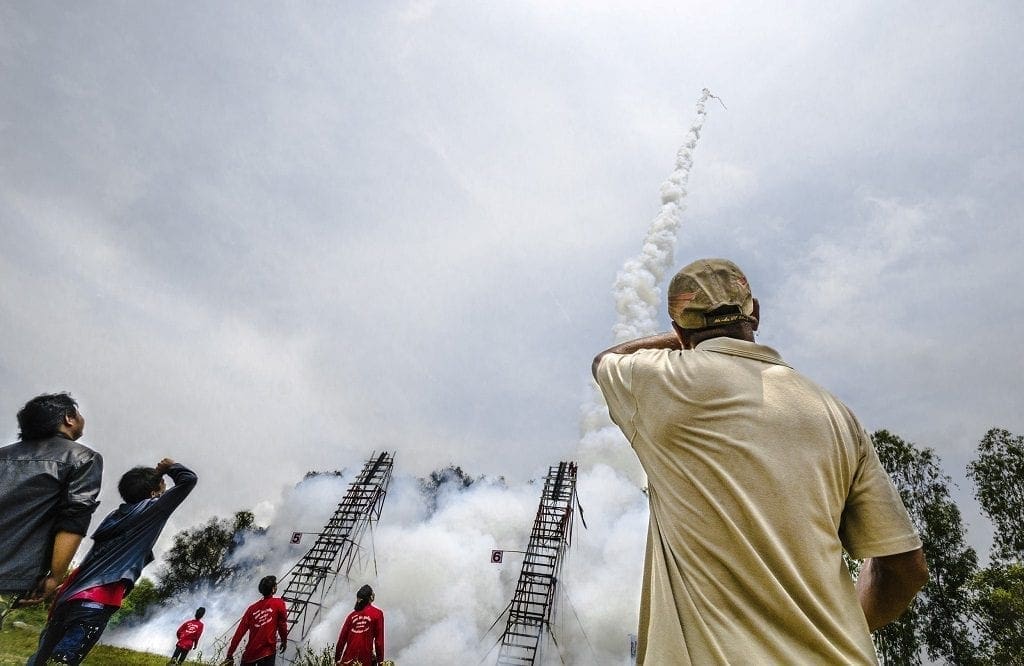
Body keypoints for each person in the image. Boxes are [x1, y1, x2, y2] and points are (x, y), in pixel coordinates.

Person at [592, 258, 929, 664]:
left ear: (679, 329)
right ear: (757, 312)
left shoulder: (658, 382)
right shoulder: (837, 414)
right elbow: (905, 569)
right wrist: (829, 630)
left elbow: (605, 361)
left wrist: (681, 336)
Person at [28, 458, 198, 665]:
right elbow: (188, 480)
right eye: (162, 486)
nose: (165, 491)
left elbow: (94, 556)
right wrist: (169, 467)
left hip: (69, 598)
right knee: (62, 662)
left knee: (40, 660)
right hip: (95, 604)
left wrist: (68, 583)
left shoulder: (114, 516)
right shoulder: (152, 510)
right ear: (154, 494)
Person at [0, 393, 103, 606]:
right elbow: (73, 520)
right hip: (11, 574)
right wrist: (56, 576)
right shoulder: (83, 458)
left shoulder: (3, 455)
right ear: (68, 418)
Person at [224, 575, 289, 666]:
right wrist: (284, 641)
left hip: (250, 655)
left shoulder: (251, 609)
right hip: (268, 653)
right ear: (273, 589)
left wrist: (230, 654)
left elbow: (239, 633)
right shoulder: (279, 603)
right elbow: (282, 625)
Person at [334, 584, 384, 666]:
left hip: (347, 661)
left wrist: (337, 660)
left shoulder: (351, 616)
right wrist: (381, 662)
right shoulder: (377, 614)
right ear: (371, 597)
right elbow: (379, 642)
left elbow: (341, 640)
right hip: (365, 661)